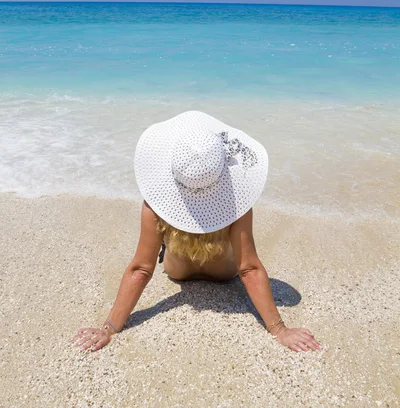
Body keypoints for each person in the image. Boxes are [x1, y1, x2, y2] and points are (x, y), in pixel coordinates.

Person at [71, 111, 322, 353]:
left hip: (176, 272)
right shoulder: (237, 205)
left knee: (165, 242)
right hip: (225, 275)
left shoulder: (155, 203)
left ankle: (175, 234)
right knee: (232, 248)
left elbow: (141, 269)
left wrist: (109, 328)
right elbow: (248, 269)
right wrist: (279, 330)